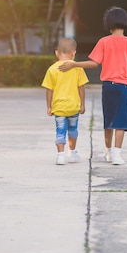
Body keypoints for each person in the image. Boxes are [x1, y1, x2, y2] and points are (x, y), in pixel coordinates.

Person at [59, 6, 127, 165]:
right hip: (124, 86)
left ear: (108, 24)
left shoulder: (103, 42)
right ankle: (117, 155)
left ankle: (108, 152)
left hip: (108, 87)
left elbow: (94, 63)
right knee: (122, 122)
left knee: (109, 120)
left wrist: (74, 64)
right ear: (125, 22)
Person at [41, 37, 89, 165]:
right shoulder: (77, 68)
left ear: (56, 53)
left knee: (60, 131)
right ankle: (72, 153)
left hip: (59, 108)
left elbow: (49, 90)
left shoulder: (52, 69)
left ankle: (60, 156)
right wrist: (83, 104)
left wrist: (49, 106)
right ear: (73, 53)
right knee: (73, 129)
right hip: (74, 107)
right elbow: (81, 88)